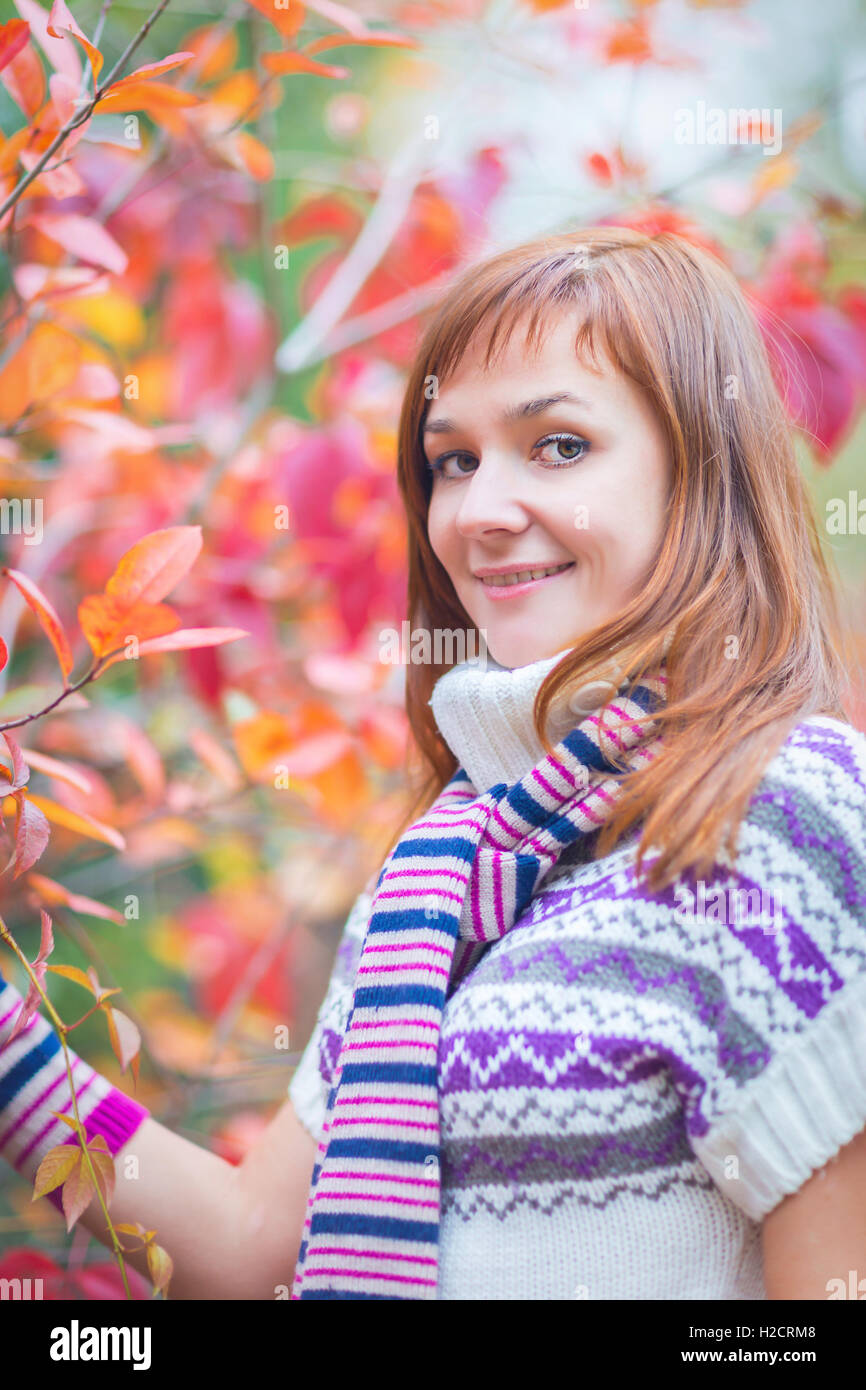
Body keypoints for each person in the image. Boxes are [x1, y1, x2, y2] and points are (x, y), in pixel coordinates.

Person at [1, 227, 865, 1300]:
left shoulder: (779, 811)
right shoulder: (440, 874)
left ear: (699, 475)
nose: (476, 513)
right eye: (451, 459)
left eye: (556, 445)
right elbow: (243, 1240)